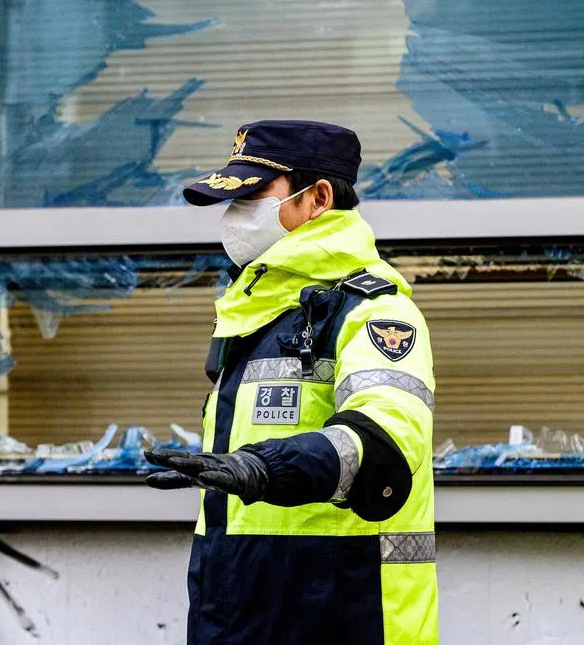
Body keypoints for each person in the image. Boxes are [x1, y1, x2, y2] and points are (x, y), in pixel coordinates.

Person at [145, 120, 438, 645]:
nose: (235, 215)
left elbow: (389, 439)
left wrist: (265, 468)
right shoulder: (259, 315)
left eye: (253, 196)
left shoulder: (375, 311)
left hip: (345, 616)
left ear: (318, 197)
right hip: (241, 614)